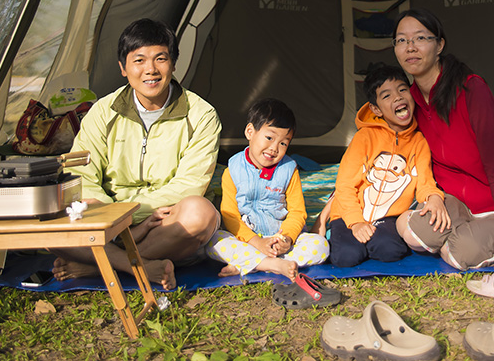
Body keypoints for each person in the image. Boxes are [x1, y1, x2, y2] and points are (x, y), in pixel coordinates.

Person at [54, 18, 222, 289]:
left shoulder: (202, 115)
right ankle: (138, 265)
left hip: (164, 220)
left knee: (199, 213)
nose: (151, 70)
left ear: (174, 64)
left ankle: (96, 265)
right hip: (109, 216)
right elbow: (81, 174)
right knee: (54, 212)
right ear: (123, 68)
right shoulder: (102, 111)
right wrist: (115, 218)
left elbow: (190, 185)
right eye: (139, 60)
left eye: (160, 59)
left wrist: (136, 217)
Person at [392, 8, 494, 271]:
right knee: (409, 230)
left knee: (459, 254)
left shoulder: (471, 89)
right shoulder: (410, 99)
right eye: (402, 40)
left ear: (440, 45)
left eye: (420, 38)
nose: (410, 47)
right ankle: (464, 233)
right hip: (456, 203)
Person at [328, 63, 450, 267]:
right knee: (347, 256)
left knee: (390, 250)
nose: (398, 97)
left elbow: (425, 182)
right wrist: (356, 222)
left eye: (402, 90)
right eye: (386, 96)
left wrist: (434, 198)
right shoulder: (364, 137)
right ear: (376, 109)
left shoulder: (419, 141)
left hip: (388, 217)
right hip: (349, 214)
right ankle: (340, 234)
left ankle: (370, 240)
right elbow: (345, 185)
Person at [206, 98, 329, 280]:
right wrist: (256, 242)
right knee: (212, 241)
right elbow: (230, 215)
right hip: (246, 240)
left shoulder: (288, 169)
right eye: (269, 138)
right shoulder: (233, 169)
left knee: (320, 246)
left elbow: (297, 213)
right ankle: (271, 263)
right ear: (250, 132)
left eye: (283, 143)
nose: (274, 148)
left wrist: (286, 239)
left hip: (278, 238)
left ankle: (249, 264)